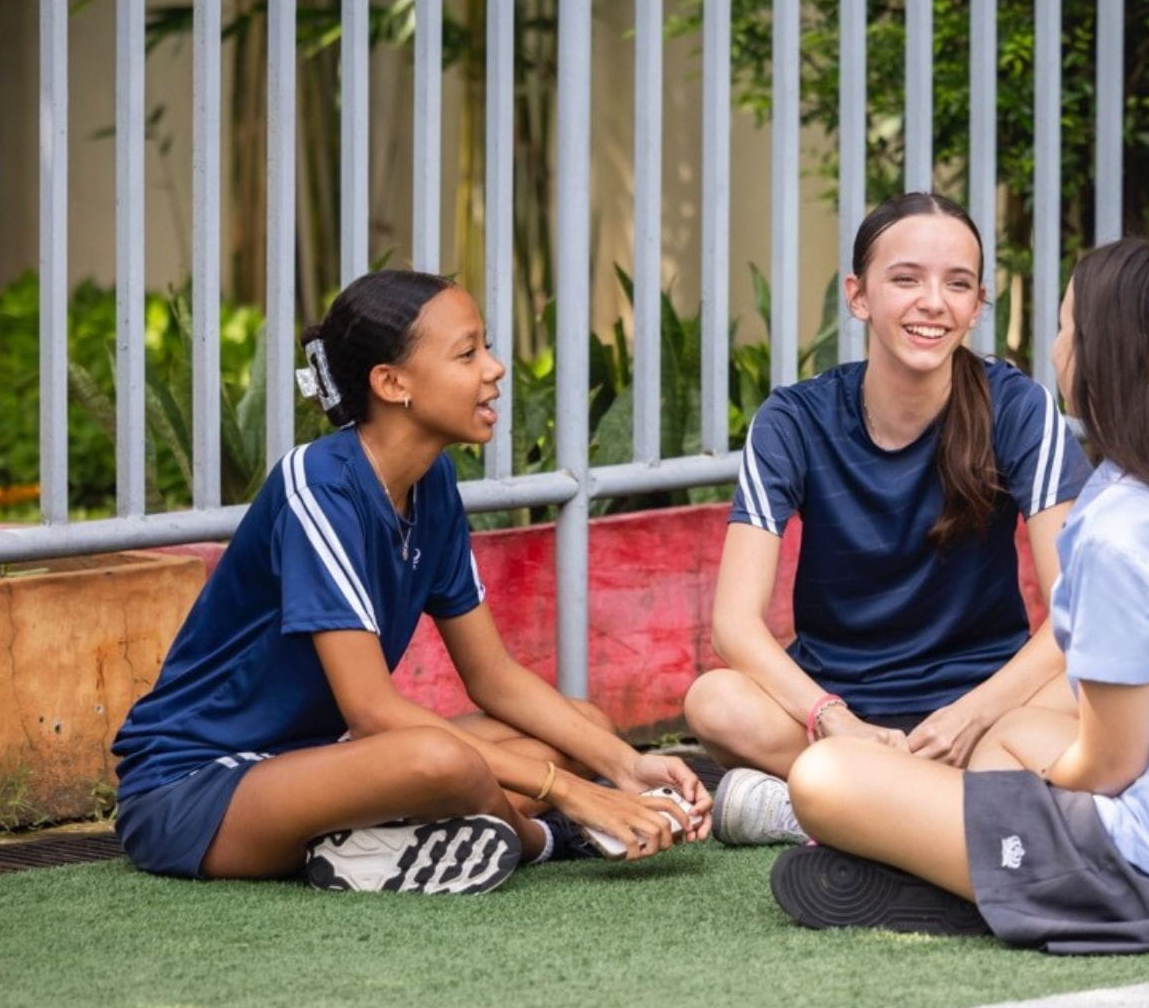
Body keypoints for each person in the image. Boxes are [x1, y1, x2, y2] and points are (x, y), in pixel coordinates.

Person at [767, 236, 1149, 954]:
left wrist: (1036, 785)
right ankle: (992, 868)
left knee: (825, 777)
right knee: (1009, 731)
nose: (1056, 345)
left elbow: (1109, 766)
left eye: (1066, 326)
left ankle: (997, 885)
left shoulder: (1120, 531)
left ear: (1102, 363)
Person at [112, 269, 710, 894]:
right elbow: (374, 711)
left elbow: (492, 676)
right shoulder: (318, 487)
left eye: (485, 348)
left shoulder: (432, 483)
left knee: (581, 726)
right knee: (439, 759)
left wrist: (626, 765)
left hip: (326, 758)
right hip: (197, 788)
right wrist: (575, 797)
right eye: (467, 353)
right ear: (392, 383)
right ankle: (543, 840)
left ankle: (381, 844)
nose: (495, 369)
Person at [685, 192, 1092, 845]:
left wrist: (971, 714)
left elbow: (1075, 610)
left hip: (986, 708)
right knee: (715, 701)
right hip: (841, 710)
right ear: (858, 296)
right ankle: (920, 799)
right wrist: (832, 717)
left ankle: (827, 804)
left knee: (1096, 679)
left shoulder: (1020, 409)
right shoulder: (793, 419)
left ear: (977, 305)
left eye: (956, 284)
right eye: (906, 279)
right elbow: (734, 624)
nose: (933, 302)